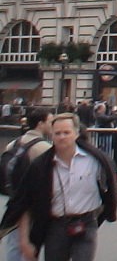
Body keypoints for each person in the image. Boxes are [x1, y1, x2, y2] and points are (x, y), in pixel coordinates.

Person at [2, 112, 117, 261]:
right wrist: (24, 241)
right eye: (58, 133)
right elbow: (25, 203)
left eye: (66, 132)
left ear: (76, 133)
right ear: (52, 135)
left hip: (86, 223)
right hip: (56, 226)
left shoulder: (95, 160)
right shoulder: (41, 166)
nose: (62, 137)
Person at [2, 107, 53, 261]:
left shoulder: (13, 144)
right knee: (29, 245)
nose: (52, 125)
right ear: (40, 123)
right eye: (50, 121)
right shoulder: (44, 148)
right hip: (33, 203)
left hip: (14, 200)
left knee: (14, 245)